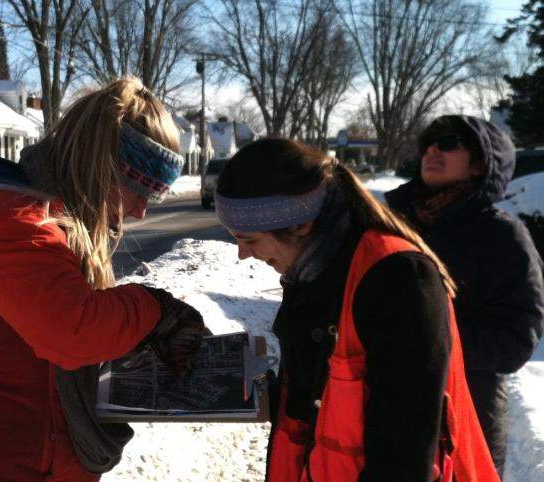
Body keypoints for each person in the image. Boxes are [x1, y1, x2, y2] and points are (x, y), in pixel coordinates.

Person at [0, 77, 206, 482]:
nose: (141, 212)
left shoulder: (54, 223)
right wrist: (155, 309)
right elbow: (73, 331)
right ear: (99, 170)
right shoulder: (5, 222)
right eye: (137, 191)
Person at [214, 138, 499, 482]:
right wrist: (226, 385)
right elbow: (316, 402)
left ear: (301, 224)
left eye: (249, 239)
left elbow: (405, 460)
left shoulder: (398, 280)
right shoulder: (310, 273)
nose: (243, 254)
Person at [385, 115, 544, 477]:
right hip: (388, 409)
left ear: (479, 164)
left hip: (467, 414)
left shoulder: (502, 236)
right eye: (429, 142)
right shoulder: (392, 223)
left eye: (449, 143)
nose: (432, 150)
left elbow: (516, 339)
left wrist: (431, 341)